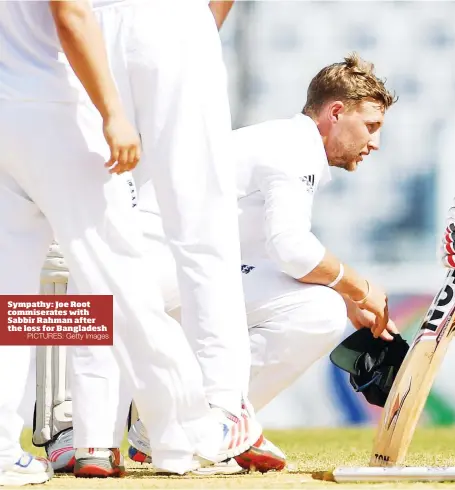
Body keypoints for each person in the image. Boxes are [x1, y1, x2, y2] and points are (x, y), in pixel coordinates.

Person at [42, 52, 398, 476]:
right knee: (319, 311)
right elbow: (292, 250)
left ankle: (185, 428)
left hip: (162, 271)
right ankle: (198, 428)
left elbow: (265, 249)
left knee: (320, 306)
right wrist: (359, 288)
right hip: (150, 268)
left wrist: (343, 292)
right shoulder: (294, 148)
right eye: (371, 127)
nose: (375, 143)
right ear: (335, 112)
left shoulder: (277, 142)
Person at [0, 0, 264, 484]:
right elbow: (68, 13)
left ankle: (88, 433)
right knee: (169, 249)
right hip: (103, 55)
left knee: (21, 290)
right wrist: (114, 112)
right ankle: (198, 424)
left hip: (24, 90)